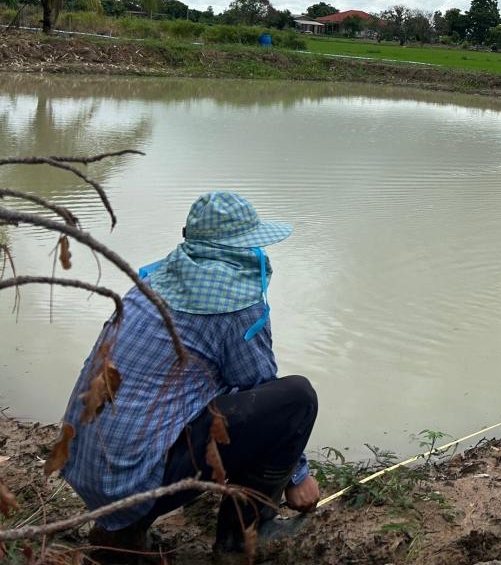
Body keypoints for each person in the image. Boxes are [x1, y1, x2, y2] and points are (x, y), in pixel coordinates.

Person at [60, 192, 319, 563]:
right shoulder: (236, 305)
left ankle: (120, 528)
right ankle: (244, 537)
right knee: (297, 399)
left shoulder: (151, 282)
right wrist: (298, 476)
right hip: (134, 481)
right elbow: (260, 389)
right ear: (241, 246)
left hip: (88, 470)